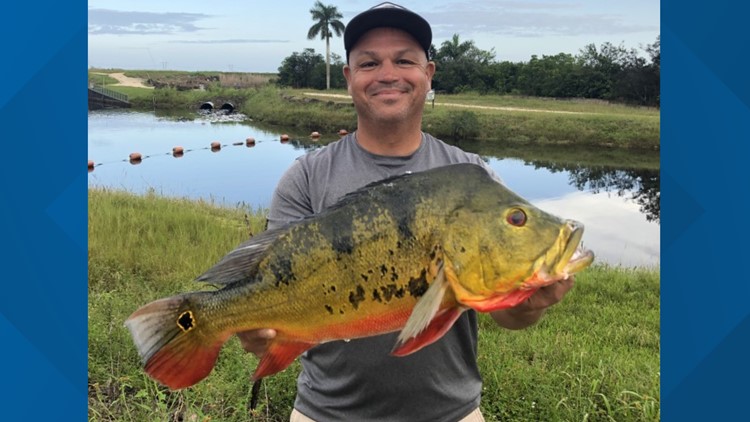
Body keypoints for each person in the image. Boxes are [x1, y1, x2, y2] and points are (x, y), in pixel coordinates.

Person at [239, 3, 574, 421]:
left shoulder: (474, 177)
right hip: (325, 414)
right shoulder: (306, 177)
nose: (387, 73)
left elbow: (507, 316)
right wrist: (256, 331)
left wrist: (529, 303)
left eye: (404, 60)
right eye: (369, 62)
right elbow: (267, 289)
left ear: (428, 74)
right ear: (349, 78)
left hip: (452, 414)